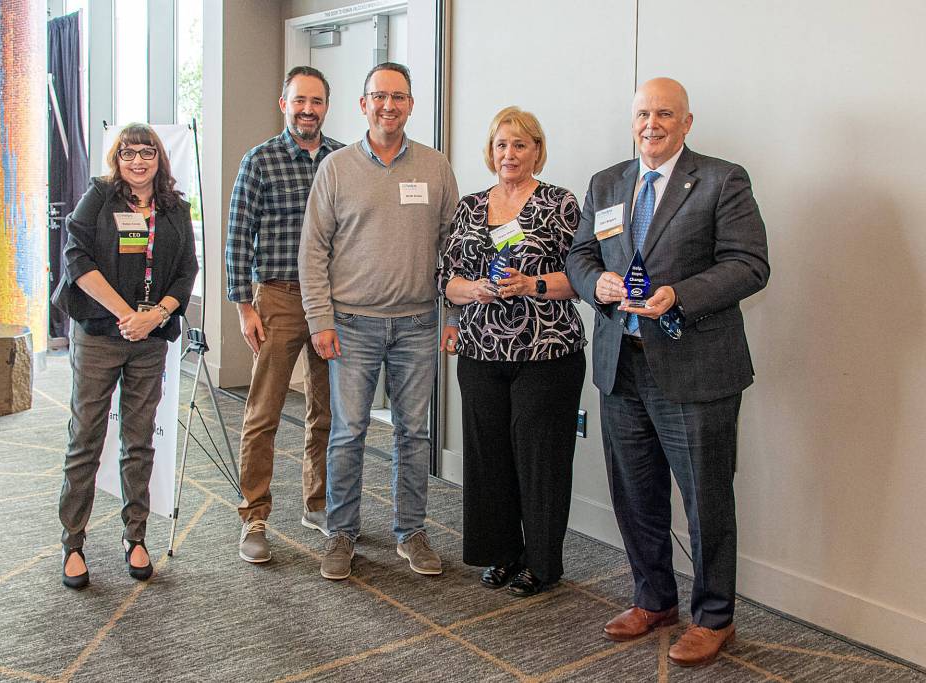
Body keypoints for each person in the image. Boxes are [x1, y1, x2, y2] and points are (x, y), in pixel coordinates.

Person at [566, 78, 769, 666]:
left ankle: (714, 616)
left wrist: (678, 293)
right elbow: (580, 256)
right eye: (642, 114)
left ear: (686, 122)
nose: (651, 124)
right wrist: (596, 284)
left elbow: (750, 265)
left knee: (706, 498)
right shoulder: (608, 182)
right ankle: (653, 597)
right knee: (635, 493)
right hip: (621, 366)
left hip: (696, 368)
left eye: (664, 114)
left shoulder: (721, 179)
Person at [299, 62, 459, 581]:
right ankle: (342, 532)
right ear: (363, 105)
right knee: (348, 432)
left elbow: (453, 249)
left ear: (411, 105)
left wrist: (451, 315)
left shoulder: (435, 167)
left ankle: (410, 531)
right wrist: (320, 319)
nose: (388, 105)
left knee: (414, 433)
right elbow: (313, 251)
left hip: (418, 324)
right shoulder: (337, 167)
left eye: (398, 96)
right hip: (351, 324)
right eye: (378, 96)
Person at [438, 106, 586, 597]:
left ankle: (542, 563)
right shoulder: (469, 206)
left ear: (537, 151)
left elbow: (583, 278)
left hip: (546, 354)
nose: (509, 154)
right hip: (481, 352)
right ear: (491, 151)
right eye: (502, 145)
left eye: (520, 145)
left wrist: (534, 283)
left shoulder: (561, 204)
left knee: (539, 461)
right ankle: (503, 554)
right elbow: (447, 280)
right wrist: (473, 289)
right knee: (488, 459)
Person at [53, 123, 198, 589]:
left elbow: (186, 272)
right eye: (129, 152)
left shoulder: (175, 208)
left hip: (150, 340)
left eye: (147, 152)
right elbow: (76, 261)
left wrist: (154, 316)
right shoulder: (99, 198)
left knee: (139, 440)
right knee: (87, 437)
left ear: (160, 159)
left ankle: (135, 537)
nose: (138, 161)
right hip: (100, 333)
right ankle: (72, 541)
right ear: (117, 157)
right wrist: (125, 314)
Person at [226, 66, 344, 564]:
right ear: (283, 103)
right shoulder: (260, 161)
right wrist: (243, 306)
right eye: (299, 100)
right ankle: (254, 515)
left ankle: (317, 504)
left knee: (328, 411)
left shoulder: (343, 160)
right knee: (263, 412)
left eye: (316, 101)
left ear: (326, 106)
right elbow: (237, 235)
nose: (307, 109)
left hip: (333, 302)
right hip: (276, 298)